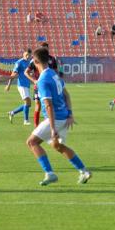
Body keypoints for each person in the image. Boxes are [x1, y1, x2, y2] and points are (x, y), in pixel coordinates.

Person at [26, 47, 91, 186]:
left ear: (36, 61)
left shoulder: (42, 80)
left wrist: (52, 128)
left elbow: (48, 105)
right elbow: (67, 94)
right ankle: (84, 171)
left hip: (55, 119)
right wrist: (70, 113)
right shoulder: (54, 74)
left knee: (32, 142)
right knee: (58, 146)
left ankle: (49, 173)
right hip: (64, 117)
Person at [25, 42, 58, 127]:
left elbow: (56, 71)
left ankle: (48, 122)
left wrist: (57, 80)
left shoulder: (52, 59)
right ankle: (36, 126)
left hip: (50, 85)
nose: (44, 49)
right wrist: (34, 80)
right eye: (42, 48)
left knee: (50, 104)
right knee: (38, 105)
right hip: (39, 85)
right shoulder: (35, 60)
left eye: (45, 48)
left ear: (48, 49)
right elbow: (26, 72)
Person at [5, 49, 32, 125]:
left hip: (27, 85)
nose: (27, 56)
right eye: (26, 55)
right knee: (27, 101)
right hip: (21, 85)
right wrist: (8, 85)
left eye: (29, 55)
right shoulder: (19, 62)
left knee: (28, 104)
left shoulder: (29, 63)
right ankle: (26, 120)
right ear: (23, 54)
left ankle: (12, 113)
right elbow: (13, 74)